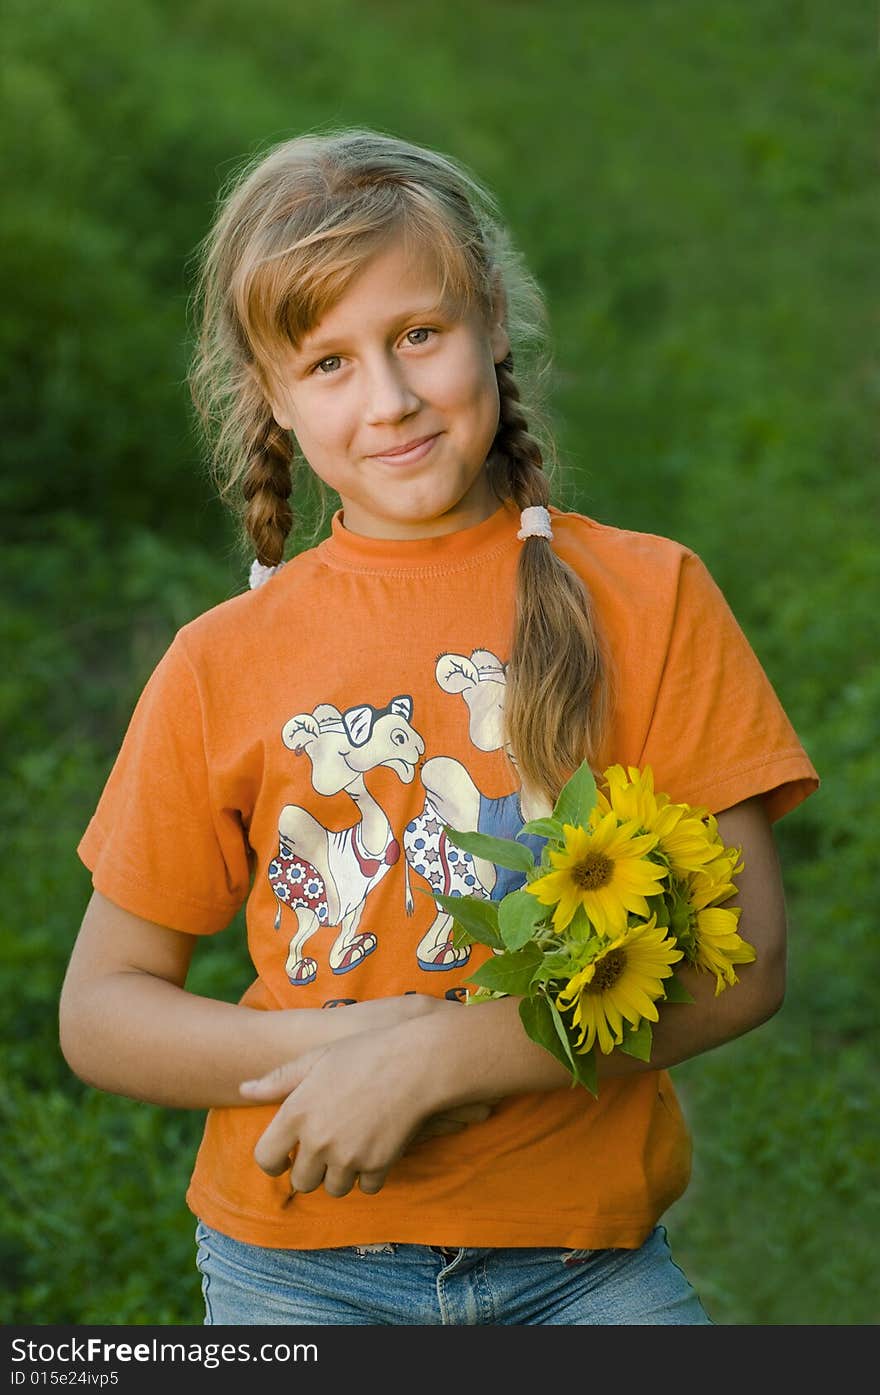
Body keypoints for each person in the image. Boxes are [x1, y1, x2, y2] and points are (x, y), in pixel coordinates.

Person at [60, 127, 819, 1327]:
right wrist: (344, 1055)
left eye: (419, 336)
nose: (392, 399)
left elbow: (750, 960)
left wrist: (443, 1058)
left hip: (587, 1267)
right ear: (273, 395)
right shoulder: (221, 659)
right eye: (330, 364)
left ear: (493, 324)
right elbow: (104, 1009)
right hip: (294, 1272)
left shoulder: (651, 593)